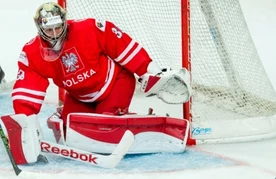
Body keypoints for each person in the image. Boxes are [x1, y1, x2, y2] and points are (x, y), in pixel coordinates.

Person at [0, 2, 191, 165]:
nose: (55, 33)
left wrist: (150, 71)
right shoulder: (32, 52)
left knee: (104, 127)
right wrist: (24, 122)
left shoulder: (89, 28)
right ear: (40, 28)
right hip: (79, 95)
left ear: (64, 22)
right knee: (70, 131)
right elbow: (27, 89)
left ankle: (129, 123)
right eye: (49, 29)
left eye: (58, 27)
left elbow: (122, 45)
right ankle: (110, 121)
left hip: (114, 83)